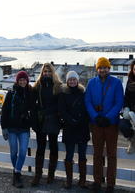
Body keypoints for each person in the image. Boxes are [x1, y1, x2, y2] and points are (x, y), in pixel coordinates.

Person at [85, 57, 124, 193]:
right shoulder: (91, 83)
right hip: (96, 124)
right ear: (97, 69)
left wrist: (108, 118)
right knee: (97, 154)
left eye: (105, 67)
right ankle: (97, 181)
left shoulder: (116, 83)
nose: (103, 70)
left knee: (111, 155)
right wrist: (95, 117)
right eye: (100, 67)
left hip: (111, 124)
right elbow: (88, 101)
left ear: (109, 68)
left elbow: (119, 102)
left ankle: (110, 184)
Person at [31, 63, 62, 186]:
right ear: (42, 73)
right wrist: (34, 121)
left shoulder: (58, 86)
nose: (47, 73)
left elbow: (60, 105)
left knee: (53, 147)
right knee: (40, 148)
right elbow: (33, 106)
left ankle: (51, 175)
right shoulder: (38, 86)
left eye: (49, 71)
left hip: (53, 120)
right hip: (41, 122)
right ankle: (38, 175)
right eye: (45, 71)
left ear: (53, 72)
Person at [58, 71, 90, 189]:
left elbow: (87, 108)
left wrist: (81, 120)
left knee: (82, 155)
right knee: (69, 155)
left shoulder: (83, 93)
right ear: (67, 81)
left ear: (77, 80)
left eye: (74, 79)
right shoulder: (63, 94)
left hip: (82, 128)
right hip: (69, 128)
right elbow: (61, 110)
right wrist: (70, 120)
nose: (72, 81)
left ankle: (82, 181)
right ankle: (69, 180)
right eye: (70, 80)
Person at [0, 71, 32, 188]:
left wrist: (30, 121)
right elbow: (4, 111)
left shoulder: (30, 93)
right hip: (12, 128)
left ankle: (16, 172)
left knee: (23, 151)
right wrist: (4, 128)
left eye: (24, 80)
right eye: (20, 80)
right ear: (17, 81)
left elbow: (33, 110)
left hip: (24, 129)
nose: (23, 82)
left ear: (27, 81)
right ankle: (17, 174)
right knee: (14, 152)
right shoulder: (11, 93)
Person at [119, 60, 135, 153]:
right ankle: (132, 140)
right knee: (122, 125)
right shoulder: (130, 80)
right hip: (130, 112)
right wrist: (126, 108)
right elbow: (126, 97)